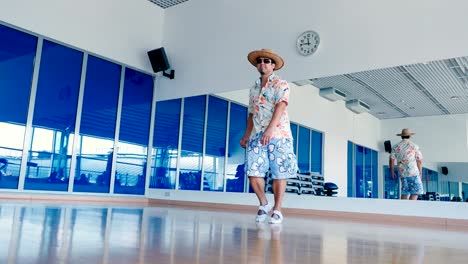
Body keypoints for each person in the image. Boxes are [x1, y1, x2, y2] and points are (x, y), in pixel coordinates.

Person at [240, 49, 297, 224]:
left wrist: (270, 130)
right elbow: (251, 114)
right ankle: (264, 204)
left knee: (279, 173)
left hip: (279, 135)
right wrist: (247, 134)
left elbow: (281, 106)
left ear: (273, 66)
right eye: (260, 61)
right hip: (257, 135)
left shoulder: (281, 83)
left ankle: (277, 209)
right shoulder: (254, 89)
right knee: (252, 171)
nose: (262, 63)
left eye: (266, 61)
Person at [389, 128, 424, 200]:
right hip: (413, 172)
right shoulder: (414, 146)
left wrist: (392, 172)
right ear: (410, 136)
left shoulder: (395, 147)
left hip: (402, 173)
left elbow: (391, 160)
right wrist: (420, 172)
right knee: (415, 192)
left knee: (405, 191)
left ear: (401, 136)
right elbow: (419, 161)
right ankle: (411, 208)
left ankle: (403, 209)